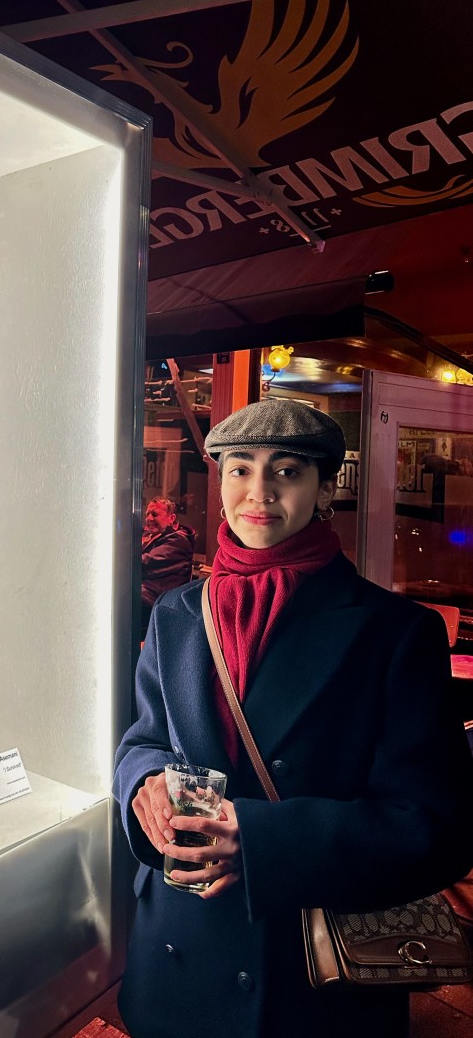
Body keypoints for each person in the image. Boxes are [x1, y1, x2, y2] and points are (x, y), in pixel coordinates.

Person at [114, 399, 473, 1038]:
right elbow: (143, 739)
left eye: (286, 471)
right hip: (177, 952)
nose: (259, 491)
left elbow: (435, 827)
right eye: (240, 469)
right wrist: (143, 783)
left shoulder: (395, 633)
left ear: (325, 489)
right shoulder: (176, 614)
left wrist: (261, 841)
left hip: (309, 977)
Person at [140, 498, 195, 637]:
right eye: (147, 514)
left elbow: (146, 564)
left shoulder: (179, 540)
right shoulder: (153, 536)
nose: (149, 518)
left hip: (159, 602)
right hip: (147, 594)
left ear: (171, 518)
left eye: (154, 514)